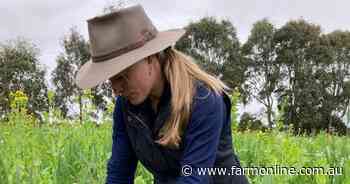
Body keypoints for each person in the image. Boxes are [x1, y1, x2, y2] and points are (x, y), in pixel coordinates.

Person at [76, 4, 249, 184]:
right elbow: (120, 172)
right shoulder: (126, 107)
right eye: (110, 79)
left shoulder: (204, 99)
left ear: (150, 58)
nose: (116, 89)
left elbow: (194, 179)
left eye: (122, 76)